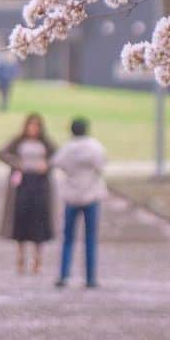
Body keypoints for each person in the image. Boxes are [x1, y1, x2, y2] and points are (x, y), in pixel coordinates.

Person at [51, 117, 107, 288]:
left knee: (68, 238)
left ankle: (64, 275)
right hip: (92, 195)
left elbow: (56, 163)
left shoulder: (67, 148)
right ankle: (91, 278)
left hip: (71, 196)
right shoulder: (95, 147)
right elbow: (101, 166)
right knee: (90, 238)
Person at [0, 113, 55, 275]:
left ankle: (38, 259)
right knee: (21, 220)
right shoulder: (19, 141)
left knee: (39, 221)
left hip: (39, 184)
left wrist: (47, 165)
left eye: (36, 126)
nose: (33, 129)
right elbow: (1, 153)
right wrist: (17, 164)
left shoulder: (46, 143)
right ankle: (21, 257)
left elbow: (57, 156)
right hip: (23, 183)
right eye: (31, 125)